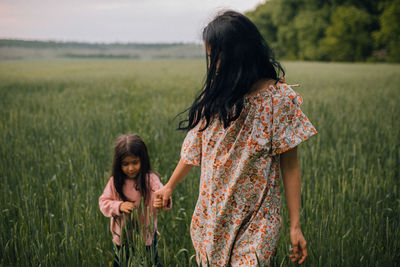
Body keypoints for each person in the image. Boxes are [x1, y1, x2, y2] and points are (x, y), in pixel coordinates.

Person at [153, 10, 317, 266]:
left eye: (215, 57)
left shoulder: (278, 99)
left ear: (238, 54)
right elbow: (196, 147)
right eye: (209, 58)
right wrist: (169, 186)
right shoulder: (216, 95)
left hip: (258, 220)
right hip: (212, 217)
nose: (212, 66)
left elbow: (291, 164)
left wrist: (295, 225)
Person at [99, 134, 171, 267]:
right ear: (118, 164)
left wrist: (162, 200)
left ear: (142, 160)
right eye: (125, 164)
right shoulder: (115, 182)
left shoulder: (150, 179)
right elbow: (103, 202)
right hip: (122, 238)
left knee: (151, 263)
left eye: (135, 162)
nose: (130, 168)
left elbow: (161, 192)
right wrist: (119, 206)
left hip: (147, 237)